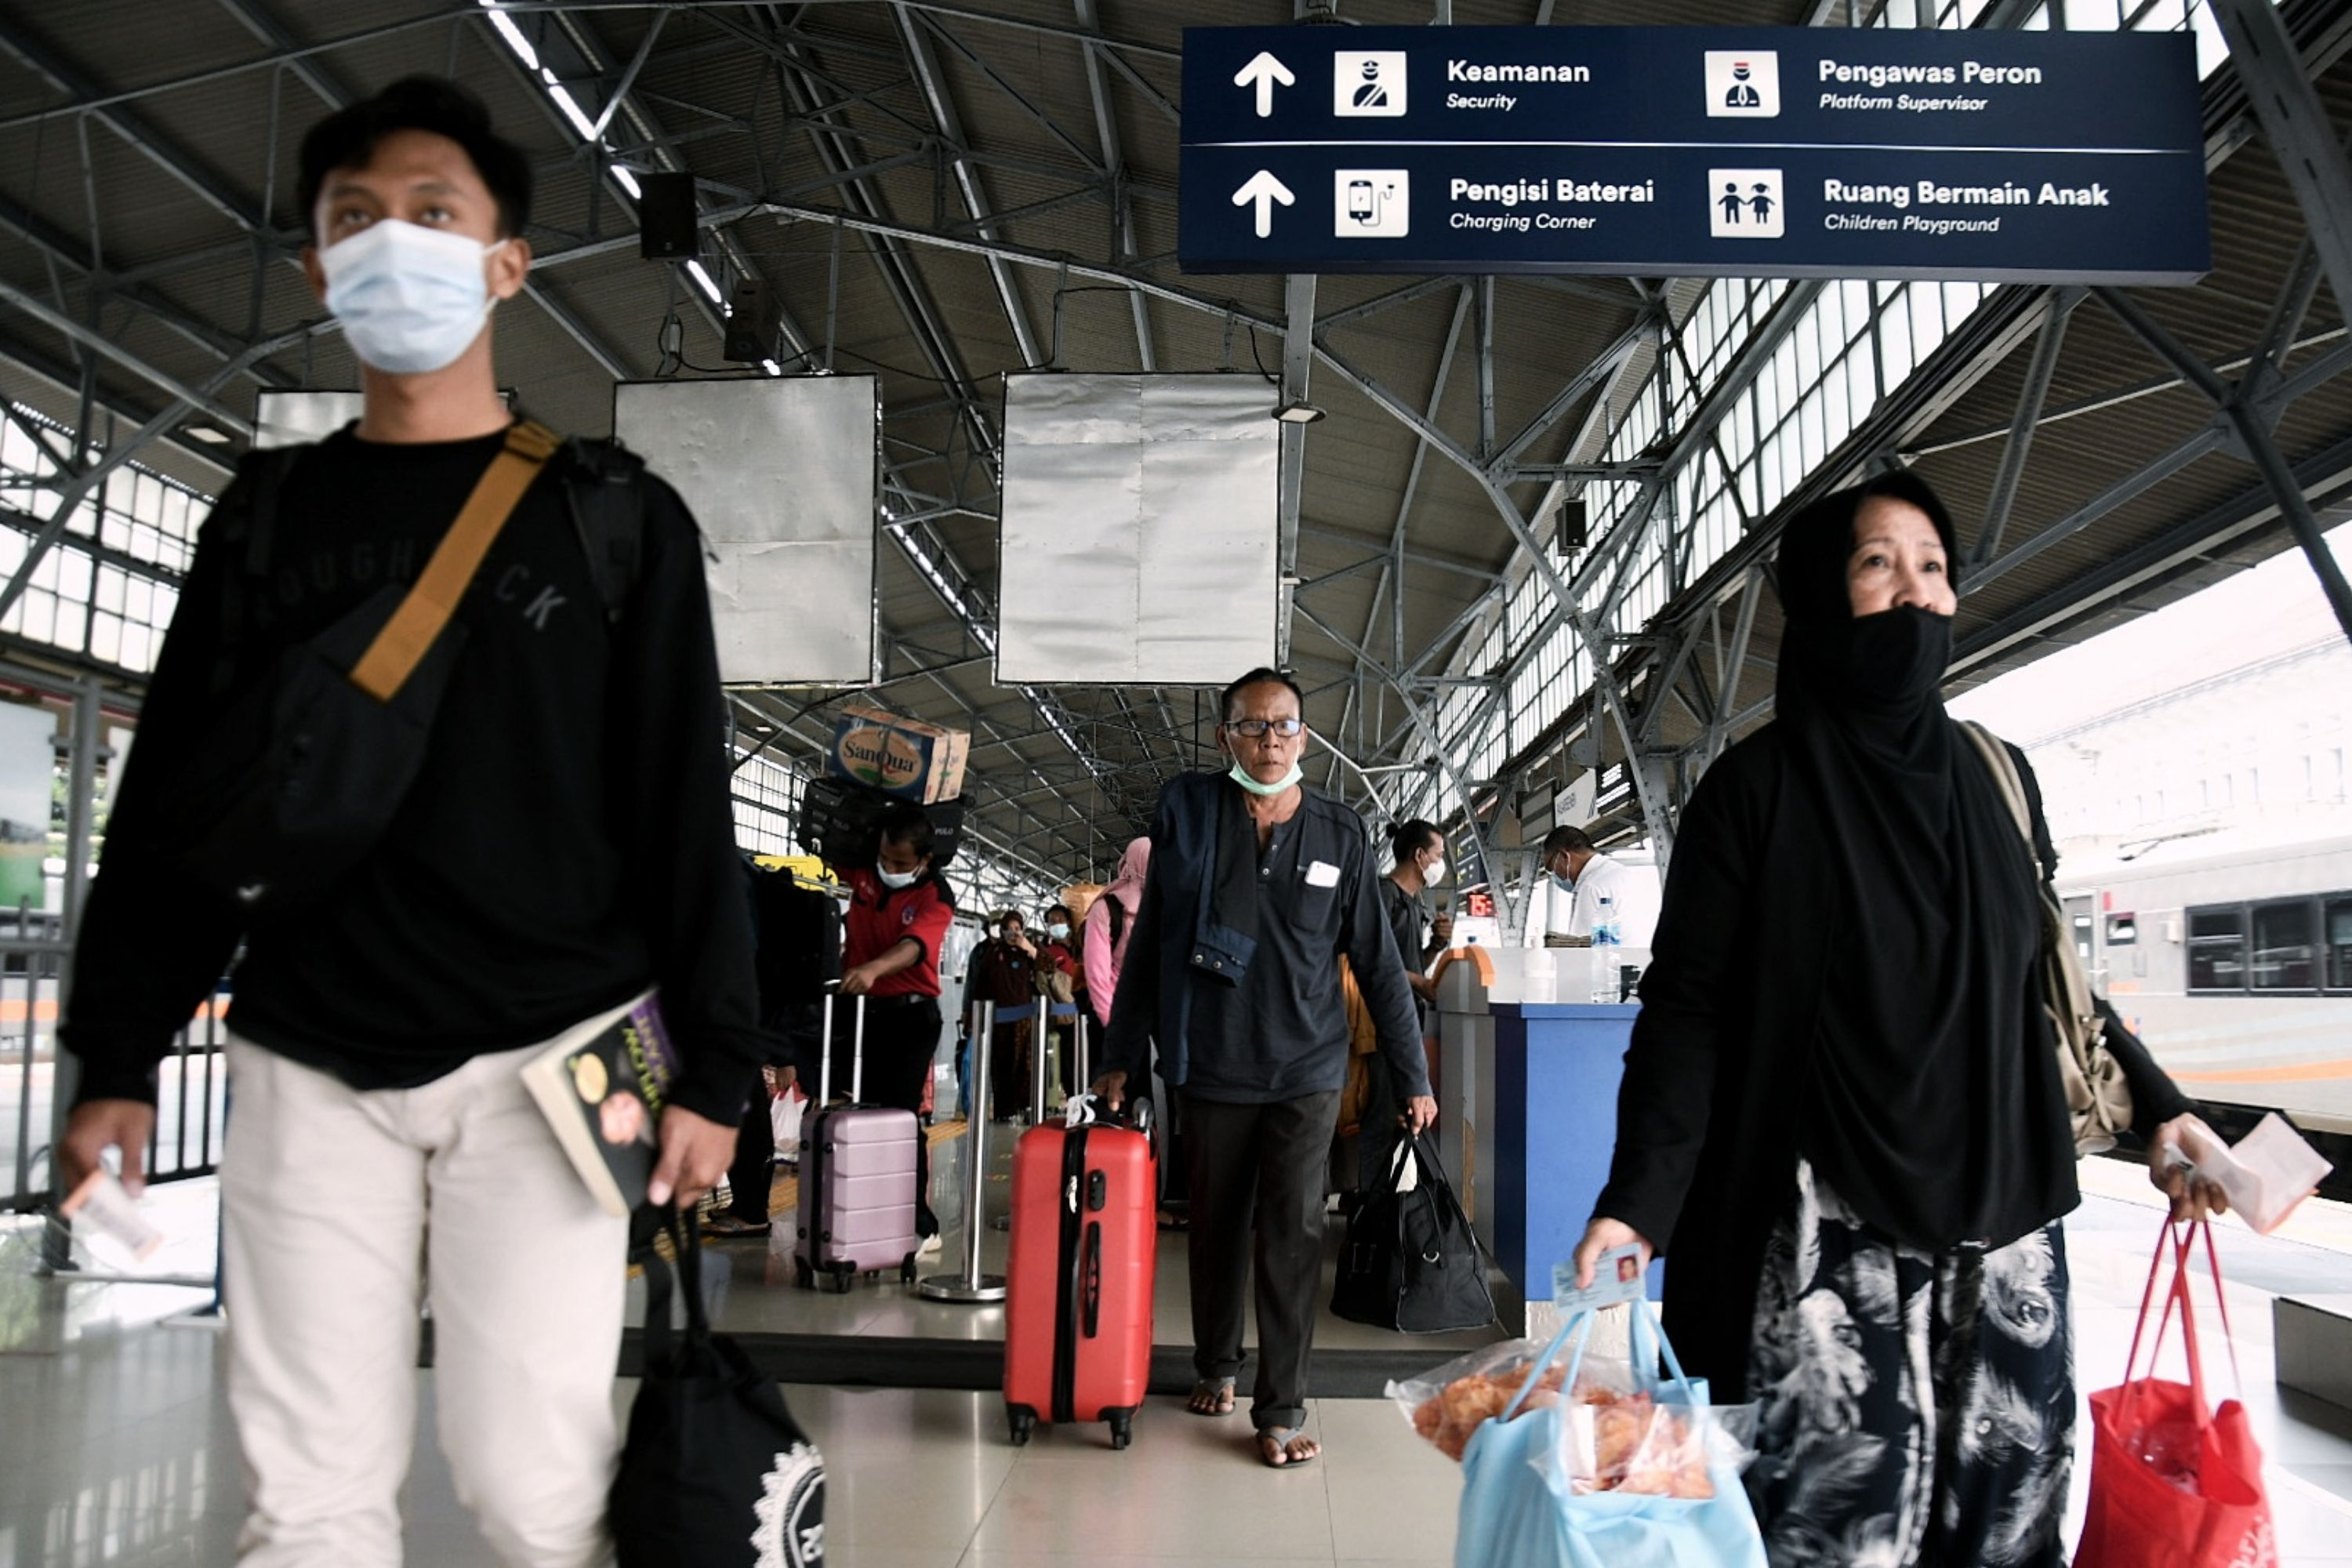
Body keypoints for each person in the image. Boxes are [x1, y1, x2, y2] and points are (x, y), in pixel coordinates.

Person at [54, 77, 761, 1567]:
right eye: (354, 220)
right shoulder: (262, 522)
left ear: (507, 262)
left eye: (434, 214)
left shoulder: (615, 520)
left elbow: (684, 802)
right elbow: (177, 803)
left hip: (554, 1068)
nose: (394, 245)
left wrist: (720, 1064)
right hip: (309, 1059)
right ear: (316, 268)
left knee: (532, 1490)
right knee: (305, 1499)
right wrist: (114, 1052)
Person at [1570, 470, 2227, 1567]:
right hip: (1824, 1228)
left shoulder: (1997, 777)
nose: (1916, 593)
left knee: (2007, 1523)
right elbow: (1690, 1015)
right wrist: (1638, 1201)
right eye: (1879, 564)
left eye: (1935, 568)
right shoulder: (1754, 793)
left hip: (2009, 1227)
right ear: (1824, 599)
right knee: (1836, 1528)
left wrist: (2163, 1114)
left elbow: (2048, 981)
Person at [1095, 668, 1436, 1469]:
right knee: (1215, 1224)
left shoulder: (1340, 832)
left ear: (1305, 738)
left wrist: (1413, 1074)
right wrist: (1120, 1055)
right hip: (1210, 1060)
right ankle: (1217, 1361)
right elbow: (1150, 944)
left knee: (1291, 1231)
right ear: (1225, 738)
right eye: (1252, 726)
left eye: (1284, 725)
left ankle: (1279, 1405)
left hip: (1307, 1065)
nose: (1270, 739)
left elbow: (1380, 966)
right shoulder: (1187, 810)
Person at [833, 800, 955, 1252]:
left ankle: (920, 1222)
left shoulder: (935, 895)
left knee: (901, 1117)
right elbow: (828, 840)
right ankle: (865, 1209)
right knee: (859, 1115)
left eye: (901, 863)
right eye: (885, 858)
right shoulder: (864, 872)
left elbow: (915, 945)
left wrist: (874, 969)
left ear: (924, 859)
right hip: (864, 1013)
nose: (890, 868)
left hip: (912, 1017)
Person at [1361, 819, 1452, 1189]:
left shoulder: (1412, 904)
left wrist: (1435, 947)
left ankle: (1385, 1202)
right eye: (1439, 855)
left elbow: (1408, 964)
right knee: (1381, 1119)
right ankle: (1373, 1213)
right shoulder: (1383, 896)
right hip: (1380, 1027)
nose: (1441, 862)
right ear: (1419, 856)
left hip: (1405, 1024)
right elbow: (1369, 962)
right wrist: (1422, 984)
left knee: (1398, 1117)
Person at [1523, 822, 1650, 947]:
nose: (1554, 875)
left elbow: (1581, 953)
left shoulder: (1591, 887)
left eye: (1551, 868)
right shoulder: (1625, 873)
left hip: (1614, 965)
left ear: (1564, 857)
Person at [968, 909, 1038, 1120]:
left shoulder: (1030, 951)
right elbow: (979, 985)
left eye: (1017, 929)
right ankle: (1003, 1109)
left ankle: (1025, 1106)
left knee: (1025, 1065)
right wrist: (972, 1014)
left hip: (1025, 1018)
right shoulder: (992, 953)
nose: (1012, 933)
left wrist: (1028, 947)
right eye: (1008, 929)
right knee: (1001, 1065)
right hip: (998, 1018)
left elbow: (1050, 966)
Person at [1037, 902, 1083, 1101]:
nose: (1056, 924)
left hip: (1085, 1014)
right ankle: (1074, 1097)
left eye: (1059, 920)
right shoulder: (1047, 953)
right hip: (1065, 1017)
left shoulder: (1079, 947)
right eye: (1051, 921)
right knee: (1068, 1061)